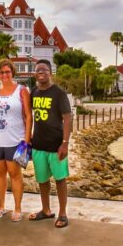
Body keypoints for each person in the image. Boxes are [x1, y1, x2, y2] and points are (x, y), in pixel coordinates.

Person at [28, 59, 73, 228]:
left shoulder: (58, 93)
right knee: (42, 180)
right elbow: (29, 116)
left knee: (60, 179)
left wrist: (65, 143)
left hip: (56, 146)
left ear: (50, 72)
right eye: (38, 70)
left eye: (45, 70)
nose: (41, 72)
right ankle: (46, 210)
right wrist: (29, 137)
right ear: (35, 74)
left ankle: (62, 214)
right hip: (38, 145)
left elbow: (68, 118)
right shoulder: (34, 92)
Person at [0, 59, 32, 222]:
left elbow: (28, 116)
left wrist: (26, 141)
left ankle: (18, 208)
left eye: (7, 71)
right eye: (1, 72)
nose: (4, 75)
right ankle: (0, 206)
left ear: (12, 72)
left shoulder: (22, 90)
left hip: (16, 141)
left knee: (15, 174)